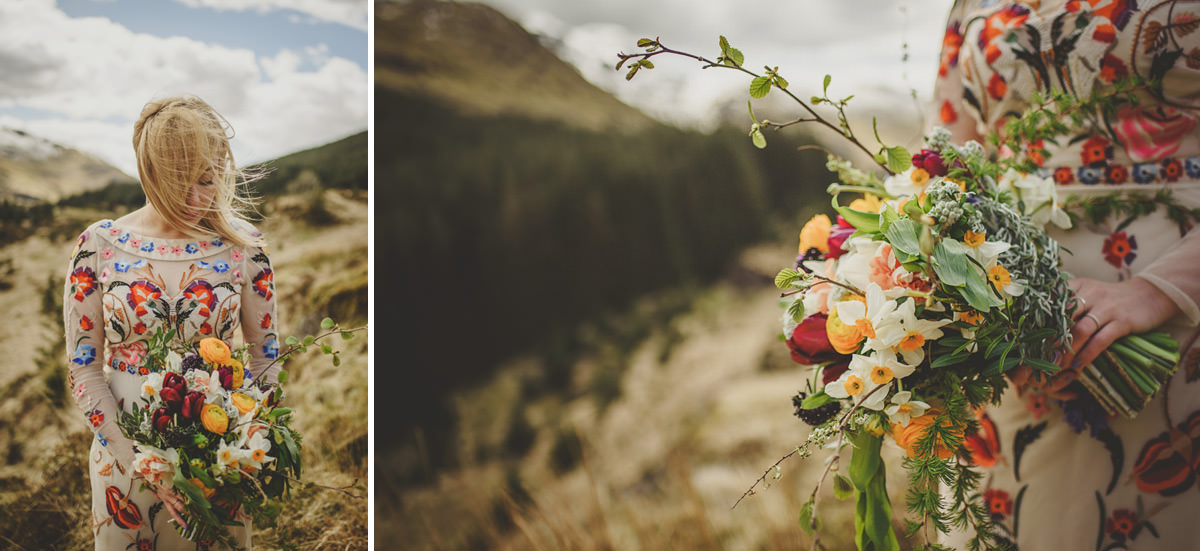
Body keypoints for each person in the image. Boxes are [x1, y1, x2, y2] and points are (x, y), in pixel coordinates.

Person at [933, 1, 1200, 548]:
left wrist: (1159, 290)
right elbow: (942, 158)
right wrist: (962, 302)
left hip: (1179, 340)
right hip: (1002, 344)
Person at [64, 95, 279, 550]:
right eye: (178, 181)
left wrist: (241, 444)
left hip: (219, 469)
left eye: (207, 179)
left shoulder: (245, 248)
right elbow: (84, 367)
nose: (195, 198)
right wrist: (135, 459)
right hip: (121, 471)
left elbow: (265, 355)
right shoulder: (99, 245)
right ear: (148, 172)